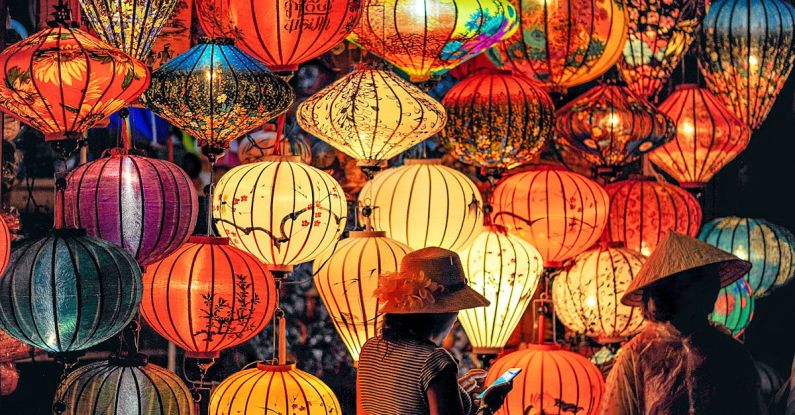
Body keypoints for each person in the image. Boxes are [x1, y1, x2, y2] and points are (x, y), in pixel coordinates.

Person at [602, 232, 765, 415]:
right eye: (691, 287)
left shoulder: (731, 353)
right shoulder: (638, 354)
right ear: (666, 295)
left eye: (708, 286)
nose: (708, 295)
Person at [357, 247, 513, 415]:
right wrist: (487, 407)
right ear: (444, 313)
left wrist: (454, 392)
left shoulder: (370, 349)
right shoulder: (434, 361)